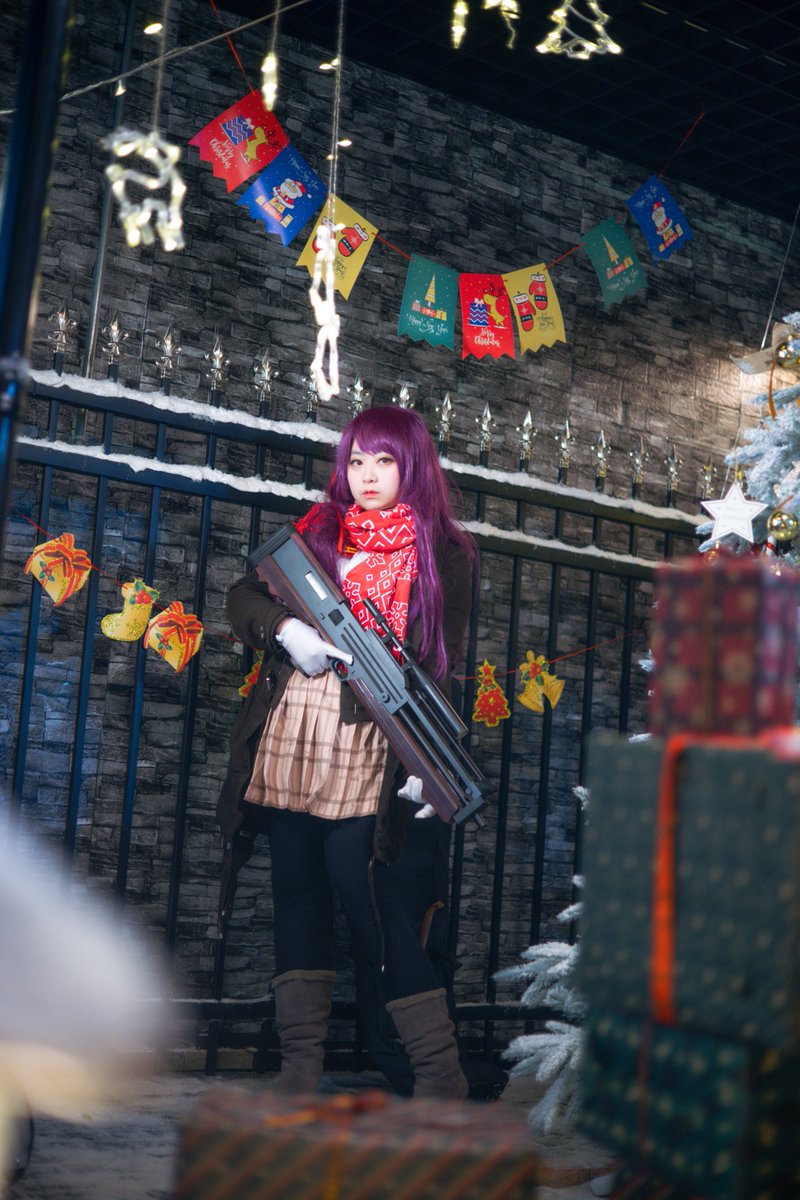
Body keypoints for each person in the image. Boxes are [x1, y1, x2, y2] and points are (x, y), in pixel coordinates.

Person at [216, 405, 478, 1099]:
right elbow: (243, 595)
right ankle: (298, 1071)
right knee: (297, 892)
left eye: (384, 460)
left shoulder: (443, 553)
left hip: (373, 742)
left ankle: (440, 1077)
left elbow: (439, 665)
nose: (367, 475)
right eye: (357, 460)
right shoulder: (318, 530)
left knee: (376, 909)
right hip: (293, 728)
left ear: (412, 466)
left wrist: (428, 764)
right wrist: (285, 631)